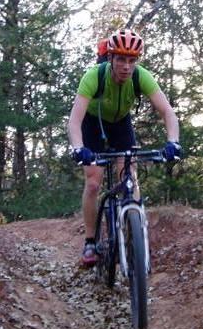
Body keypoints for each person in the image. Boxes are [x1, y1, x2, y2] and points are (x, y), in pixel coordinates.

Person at [67, 27, 181, 266]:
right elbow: (75, 120)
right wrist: (79, 148)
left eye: (131, 60)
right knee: (94, 182)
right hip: (92, 123)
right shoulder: (93, 77)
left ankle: (134, 229)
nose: (126, 66)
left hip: (120, 124)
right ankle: (90, 242)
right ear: (110, 58)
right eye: (120, 59)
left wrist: (173, 142)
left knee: (129, 175)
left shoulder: (141, 76)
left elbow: (167, 111)